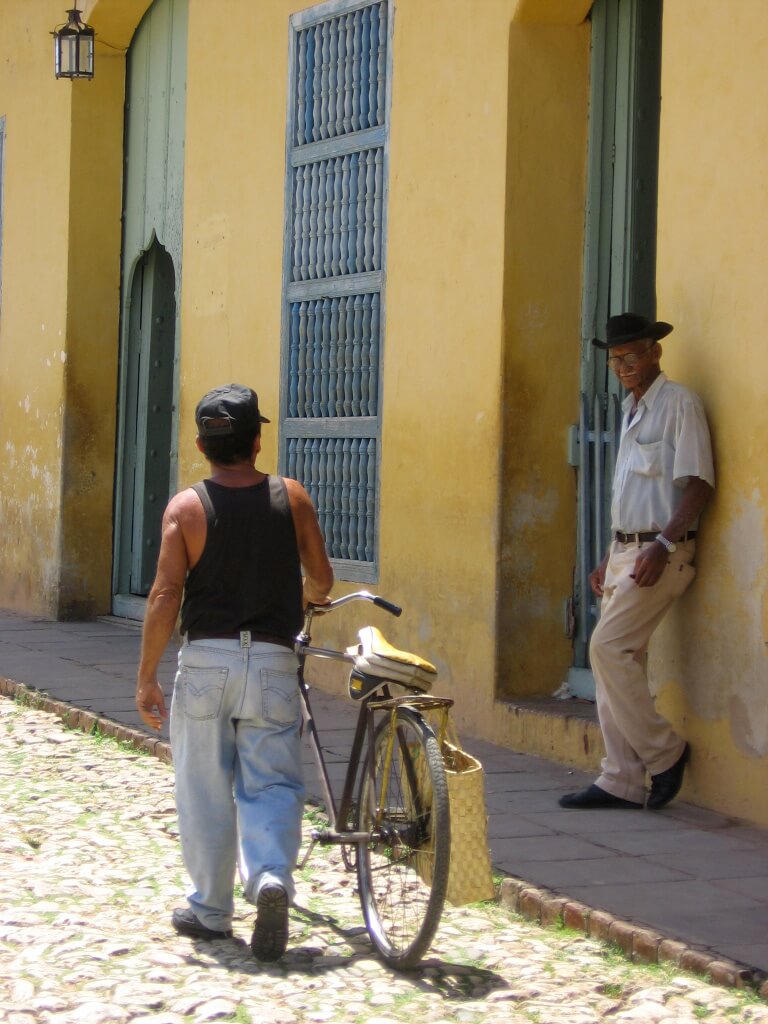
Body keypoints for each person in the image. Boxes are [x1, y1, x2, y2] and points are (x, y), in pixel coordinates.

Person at [135, 383, 333, 961]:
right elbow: (320, 577)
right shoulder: (290, 497)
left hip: (205, 663)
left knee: (202, 787)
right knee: (272, 780)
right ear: (257, 439)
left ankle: (210, 909)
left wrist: (147, 675)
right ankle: (271, 877)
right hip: (272, 663)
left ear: (202, 444)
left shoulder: (187, 507)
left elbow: (166, 593)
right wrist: (309, 598)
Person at [560, 314, 714, 811]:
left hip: (661, 552)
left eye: (631, 356)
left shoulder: (679, 405)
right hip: (626, 550)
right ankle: (621, 779)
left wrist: (662, 547)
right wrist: (611, 554)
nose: (622, 367)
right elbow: (633, 495)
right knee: (619, 662)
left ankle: (665, 754)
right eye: (615, 359)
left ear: (655, 353)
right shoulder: (631, 410)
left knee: (606, 650)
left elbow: (698, 484)